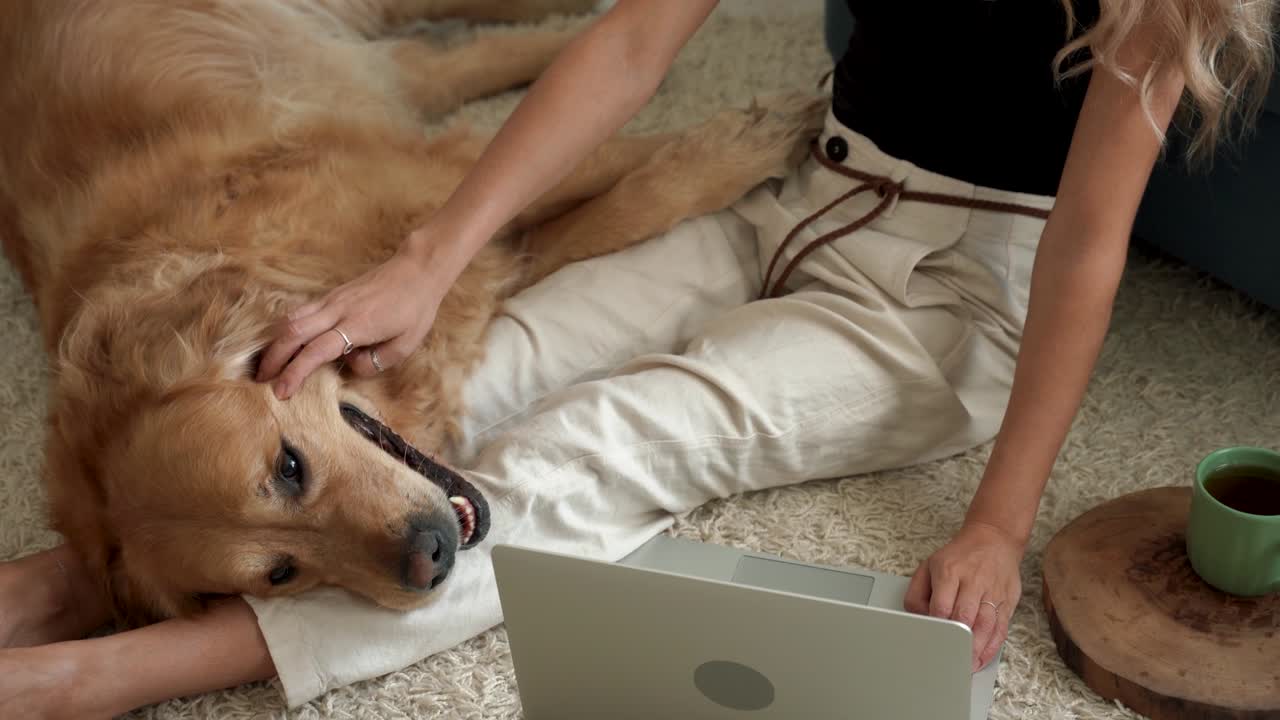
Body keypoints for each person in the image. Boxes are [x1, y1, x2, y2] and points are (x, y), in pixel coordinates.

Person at [2, 0, 1275, 717]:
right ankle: (113, 555)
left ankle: (137, 666)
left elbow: (1084, 255)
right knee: (465, 376)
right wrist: (430, 261)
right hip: (793, 190)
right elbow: (628, 47)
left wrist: (997, 525)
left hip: (940, 305)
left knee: (594, 451)